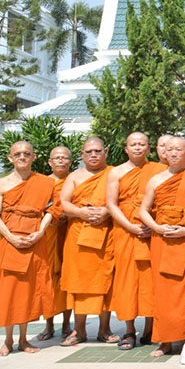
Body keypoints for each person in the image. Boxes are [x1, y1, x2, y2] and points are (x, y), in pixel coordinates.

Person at [139, 136, 185, 357]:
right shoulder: (155, 179)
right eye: (169, 149)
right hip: (162, 240)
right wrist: (156, 228)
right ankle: (165, 340)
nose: (173, 153)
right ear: (163, 153)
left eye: (178, 149)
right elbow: (143, 210)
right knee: (163, 292)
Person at [0, 141, 55, 356]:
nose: (22, 157)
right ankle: (8, 340)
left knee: (28, 291)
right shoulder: (2, 184)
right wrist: (10, 237)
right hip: (10, 243)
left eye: (27, 153)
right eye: (17, 154)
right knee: (9, 291)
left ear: (34, 157)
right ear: (10, 158)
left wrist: (41, 232)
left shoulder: (45, 182)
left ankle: (24, 339)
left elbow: (51, 210)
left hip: (34, 240)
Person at [106, 132, 165, 349]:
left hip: (150, 231)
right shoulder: (116, 172)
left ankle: (150, 328)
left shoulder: (158, 170)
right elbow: (111, 204)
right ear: (126, 148)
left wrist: (153, 225)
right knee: (126, 282)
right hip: (125, 232)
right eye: (133, 144)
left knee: (150, 281)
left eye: (142, 144)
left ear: (149, 148)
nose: (138, 148)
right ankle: (129, 330)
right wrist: (130, 226)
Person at [59, 137, 119, 346]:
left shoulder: (114, 173)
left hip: (106, 235)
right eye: (89, 152)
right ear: (82, 155)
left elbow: (123, 201)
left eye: (97, 151)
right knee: (78, 283)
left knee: (105, 282)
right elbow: (63, 203)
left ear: (106, 152)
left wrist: (107, 211)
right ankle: (79, 330)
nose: (94, 155)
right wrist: (81, 212)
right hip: (78, 235)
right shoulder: (74, 177)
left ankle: (105, 329)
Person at [37, 145, 73, 341]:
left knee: (67, 276)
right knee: (49, 277)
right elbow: (37, 207)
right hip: (49, 234)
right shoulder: (43, 183)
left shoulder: (75, 180)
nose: (61, 161)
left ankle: (67, 325)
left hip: (69, 232)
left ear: (70, 161)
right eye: (57, 158)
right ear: (50, 162)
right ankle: (49, 325)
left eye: (64, 157)